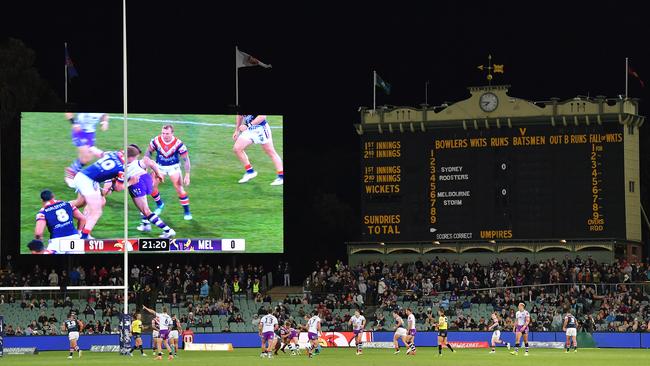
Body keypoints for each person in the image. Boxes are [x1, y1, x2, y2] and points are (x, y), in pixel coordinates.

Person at [72, 150, 126, 239]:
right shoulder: (122, 168)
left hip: (87, 177)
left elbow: (102, 154)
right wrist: (131, 182)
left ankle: (82, 231)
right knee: (97, 208)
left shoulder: (115, 153)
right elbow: (109, 190)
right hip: (89, 180)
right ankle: (83, 235)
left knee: (81, 202)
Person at [125, 144, 176, 238]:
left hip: (136, 184)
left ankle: (168, 230)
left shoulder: (122, 164)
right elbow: (151, 162)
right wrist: (158, 174)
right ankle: (145, 225)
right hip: (147, 180)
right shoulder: (138, 162)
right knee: (143, 204)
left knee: (145, 209)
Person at [145, 125, 192, 220]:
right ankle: (160, 204)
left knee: (179, 188)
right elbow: (148, 152)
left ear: (172, 133)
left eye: (167, 133)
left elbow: (186, 159)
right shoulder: (156, 141)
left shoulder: (179, 144)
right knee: (151, 187)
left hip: (173, 167)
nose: (165, 135)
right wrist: (146, 165)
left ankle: (187, 211)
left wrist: (187, 174)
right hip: (159, 167)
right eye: (163, 133)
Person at [233, 115, 283, 185]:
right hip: (249, 130)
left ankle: (281, 176)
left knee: (270, 152)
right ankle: (250, 172)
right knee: (237, 148)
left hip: (261, 129)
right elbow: (240, 116)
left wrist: (248, 125)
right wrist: (237, 130)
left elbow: (262, 116)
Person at [32, 189, 86, 254]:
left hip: (57, 242)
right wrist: (79, 232)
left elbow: (38, 233)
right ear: (53, 196)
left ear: (42, 200)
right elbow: (82, 218)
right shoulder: (68, 204)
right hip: (74, 239)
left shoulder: (42, 213)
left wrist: (38, 243)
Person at [64, 112, 109, 187]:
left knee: (87, 159)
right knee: (86, 155)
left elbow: (105, 115)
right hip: (79, 131)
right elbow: (68, 113)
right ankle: (70, 175)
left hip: (90, 134)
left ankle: (72, 170)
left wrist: (104, 122)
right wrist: (74, 123)